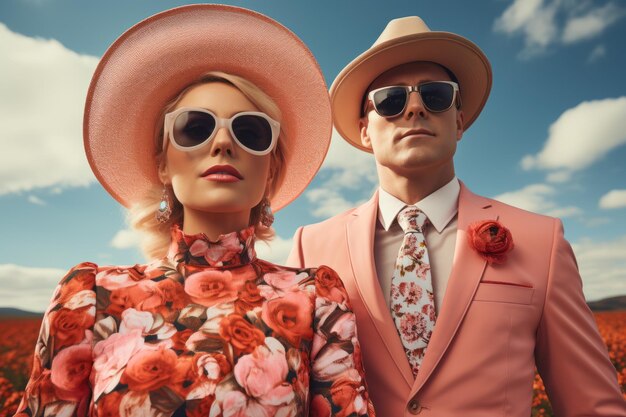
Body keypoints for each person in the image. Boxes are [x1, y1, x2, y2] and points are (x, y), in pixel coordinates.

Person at [15, 5, 375, 417]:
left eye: (250, 131)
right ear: (163, 163)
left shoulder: (316, 298)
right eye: (195, 127)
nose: (223, 143)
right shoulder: (89, 296)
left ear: (270, 170)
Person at [287, 16, 626, 416]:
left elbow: (592, 406)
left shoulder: (542, 241)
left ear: (459, 120)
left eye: (435, 96)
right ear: (365, 130)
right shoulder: (311, 248)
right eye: (391, 100)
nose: (414, 108)